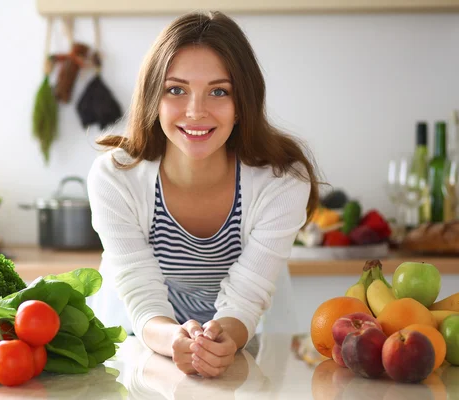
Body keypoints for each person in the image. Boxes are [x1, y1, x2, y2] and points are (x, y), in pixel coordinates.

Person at [86, 10, 320, 378]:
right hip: (136, 340)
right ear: (153, 98)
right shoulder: (115, 176)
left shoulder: (282, 181)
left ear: (243, 103)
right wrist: (173, 339)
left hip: (254, 341)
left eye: (219, 91)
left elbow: (247, 295)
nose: (196, 111)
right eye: (176, 89)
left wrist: (219, 339)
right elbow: (139, 290)